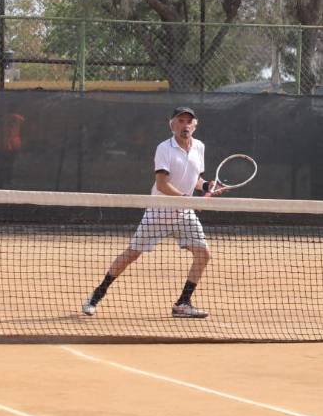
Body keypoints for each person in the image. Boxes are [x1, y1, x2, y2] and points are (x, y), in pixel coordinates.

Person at [82, 107, 224, 319]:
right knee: (131, 254)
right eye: (180, 121)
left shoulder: (199, 147)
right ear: (172, 124)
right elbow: (162, 184)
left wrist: (205, 186)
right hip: (159, 212)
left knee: (203, 254)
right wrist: (187, 200)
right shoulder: (164, 148)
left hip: (184, 214)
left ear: (195, 125)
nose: (185, 125)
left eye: (189, 121)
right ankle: (95, 296)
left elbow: (195, 179)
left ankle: (182, 304)